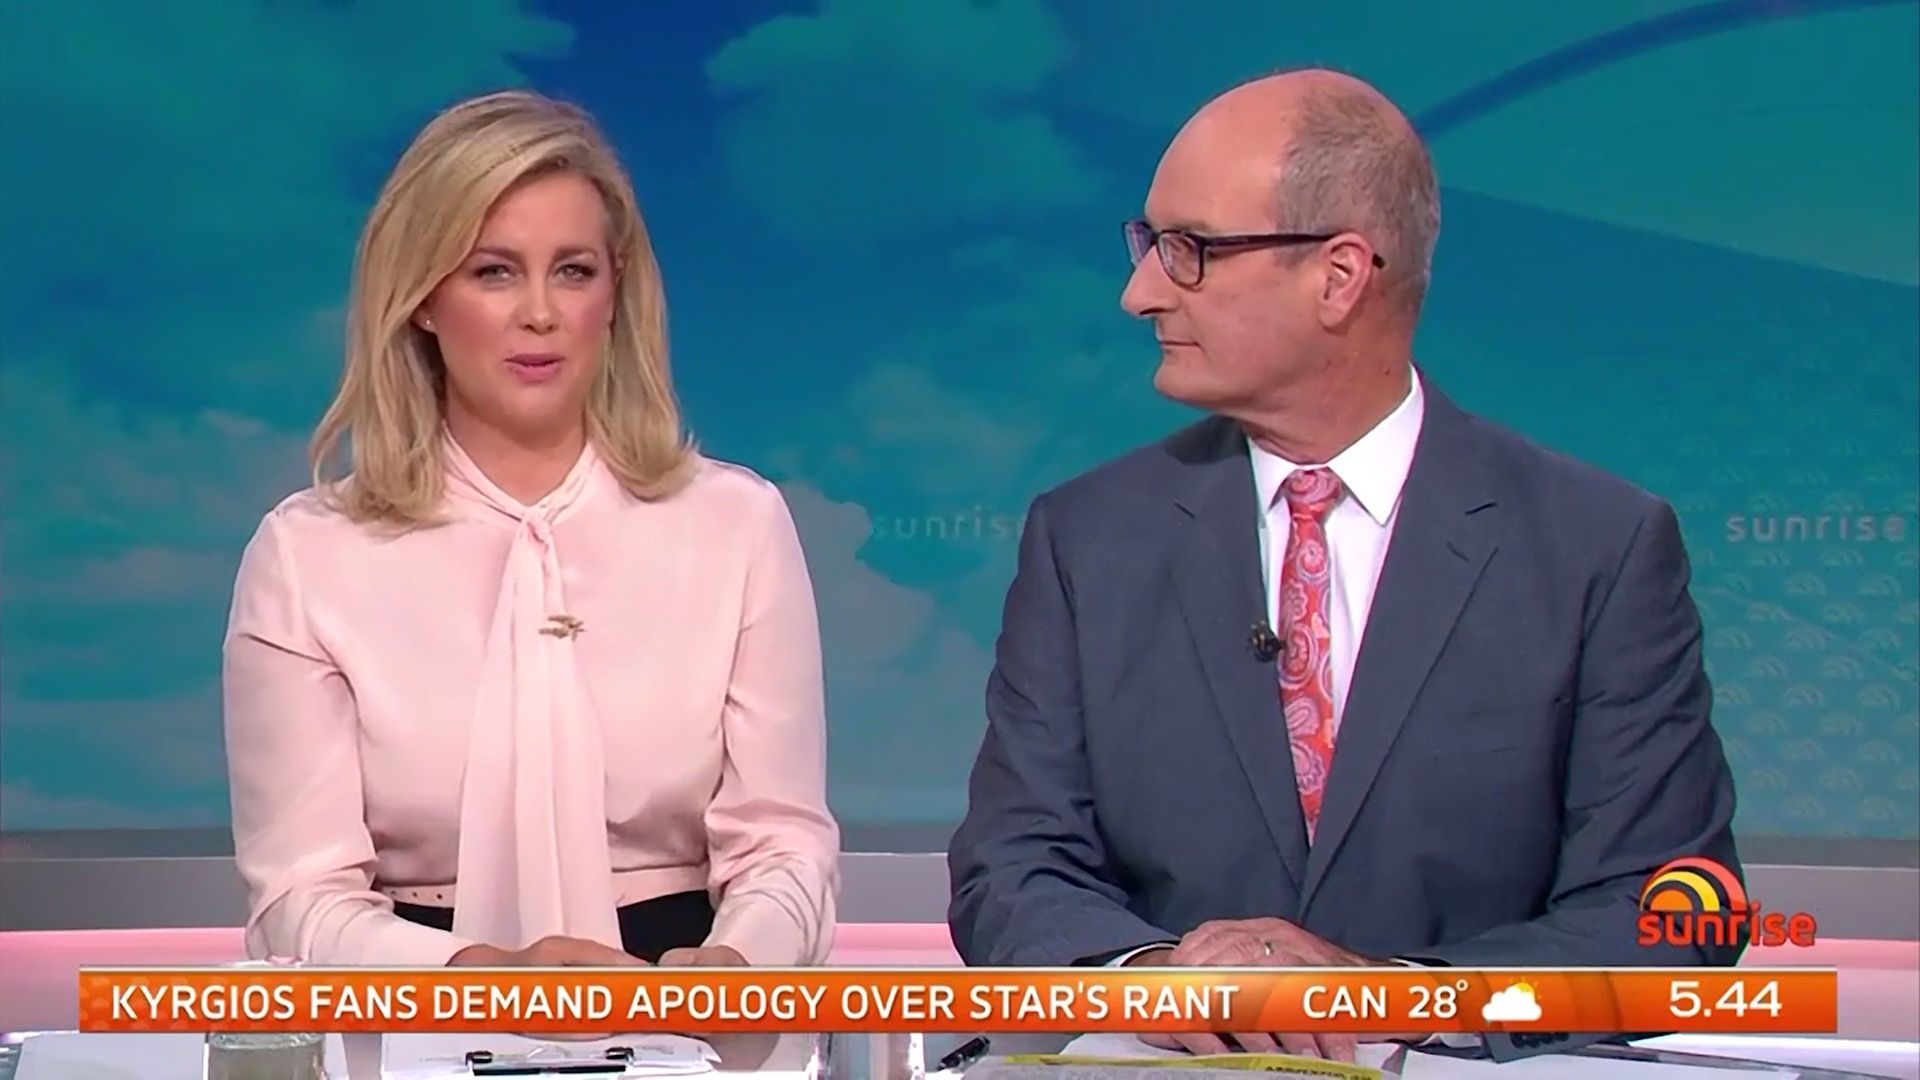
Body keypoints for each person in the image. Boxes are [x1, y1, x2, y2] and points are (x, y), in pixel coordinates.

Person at [946, 69, 1742, 1062]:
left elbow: (1667, 917)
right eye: (1146, 245)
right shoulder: (1087, 539)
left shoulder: (1597, 547)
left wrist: (1390, 996)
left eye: (1190, 250)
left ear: (1339, 275)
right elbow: (1012, 867)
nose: (1140, 292)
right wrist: (1153, 982)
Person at [222, 89, 839, 970]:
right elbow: (300, 896)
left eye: (574, 271)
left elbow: (784, 844)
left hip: (684, 1000)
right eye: (494, 272)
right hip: (419, 1005)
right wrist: (479, 985)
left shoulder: (736, 525)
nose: (540, 313)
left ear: (614, 291)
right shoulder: (308, 556)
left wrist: (734, 970)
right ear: (423, 298)